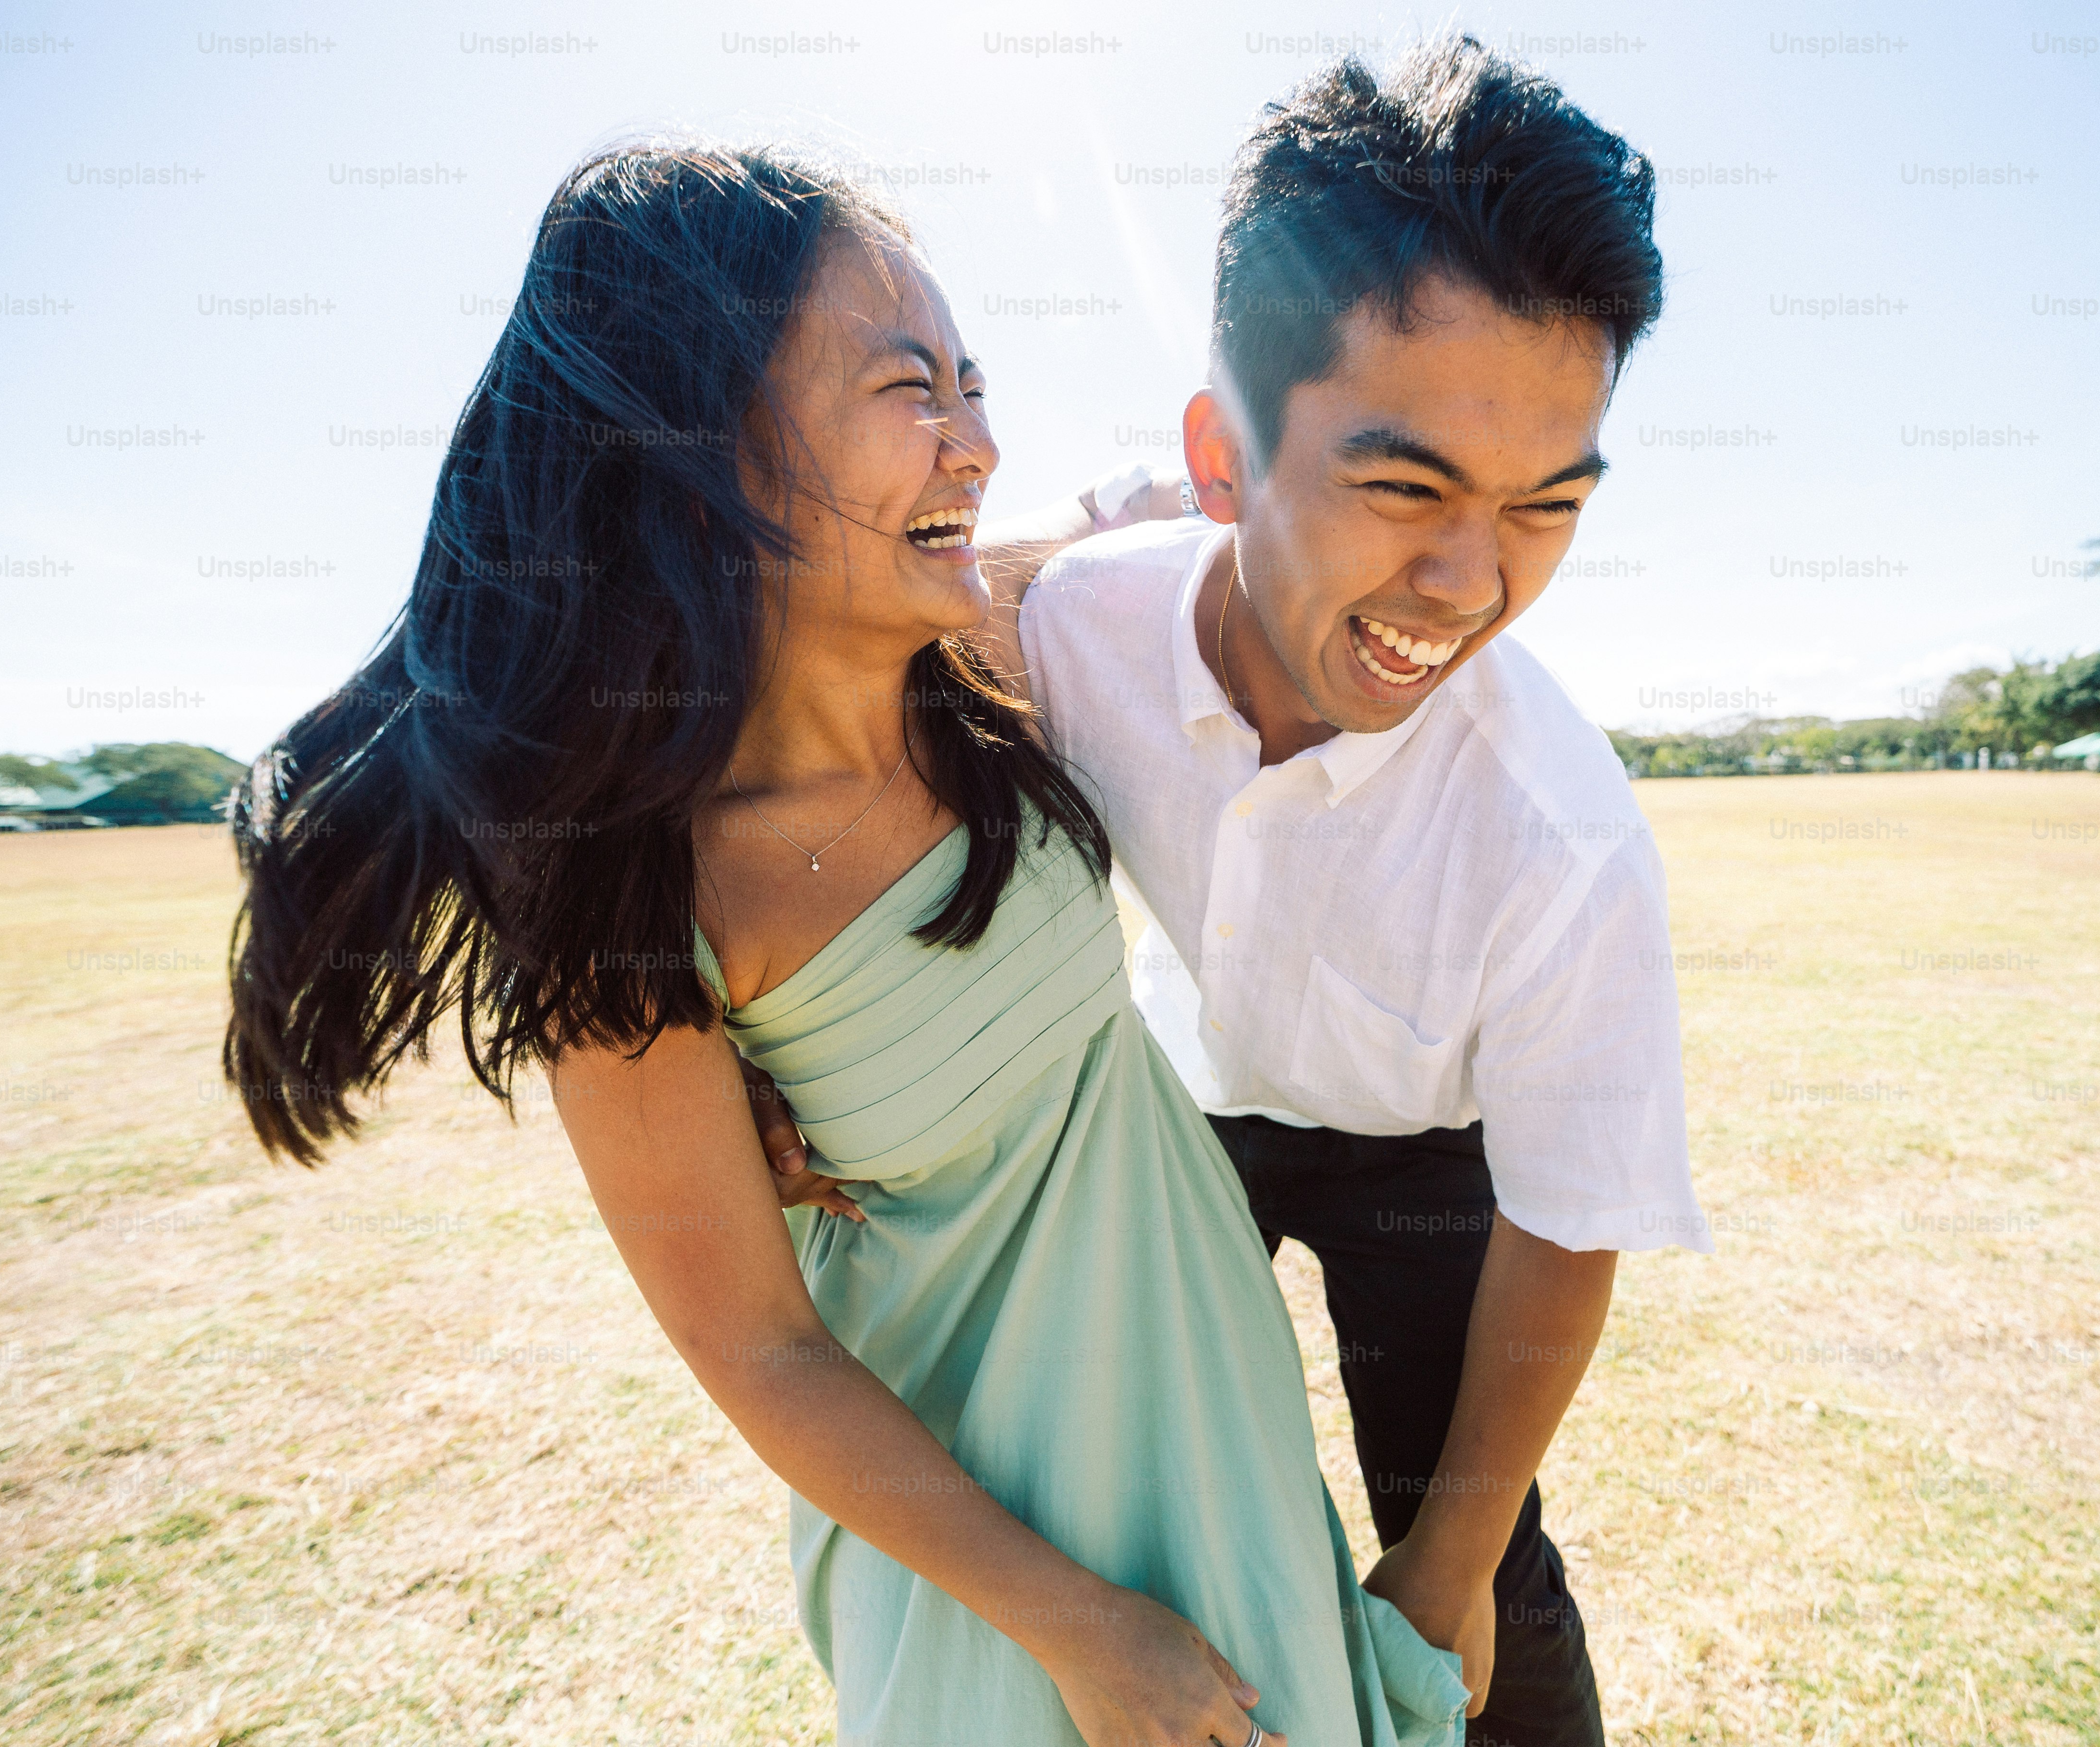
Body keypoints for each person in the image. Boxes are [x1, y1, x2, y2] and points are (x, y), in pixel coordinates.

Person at [221, 142, 1464, 1747]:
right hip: (1004, 1576)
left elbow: (1159, 526)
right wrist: (1079, 1632)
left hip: (1215, 1422)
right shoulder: (641, 911)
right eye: (911, 390)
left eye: (974, 380)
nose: (977, 440)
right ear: (712, 450)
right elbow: (758, 1348)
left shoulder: (997, 665)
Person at [750, 38, 1709, 1747]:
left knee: (1467, 1538)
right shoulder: (1074, 625)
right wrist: (769, 1065)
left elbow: (1570, 1223)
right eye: (1404, 486)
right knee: (1159, 1465)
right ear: (1221, 458)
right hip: (1187, 1108)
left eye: (1545, 507)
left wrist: (1453, 1560)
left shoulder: (1561, 837)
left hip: (1434, 1154)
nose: (1472, 582)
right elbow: (908, 633)